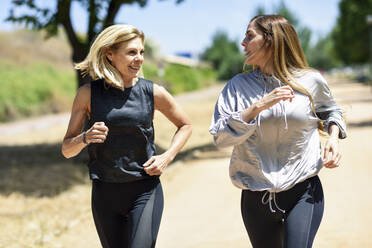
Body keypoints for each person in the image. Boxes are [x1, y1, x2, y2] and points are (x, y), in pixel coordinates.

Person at [209, 15, 346, 248]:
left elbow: (332, 111)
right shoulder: (237, 87)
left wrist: (333, 138)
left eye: (250, 36)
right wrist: (256, 108)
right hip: (255, 197)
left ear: (271, 40)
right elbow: (220, 137)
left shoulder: (310, 80)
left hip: (303, 191)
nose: (243, 42)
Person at [61, 24, 192, 248]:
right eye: (132, 52)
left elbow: (185, 125)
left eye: (141, 52)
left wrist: (166, 156)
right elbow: (66, 150)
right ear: (109, 54)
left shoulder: (153, 92)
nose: (139, 58)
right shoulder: (87, 94)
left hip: (144, 190)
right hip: (104, 193)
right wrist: (86, 137)